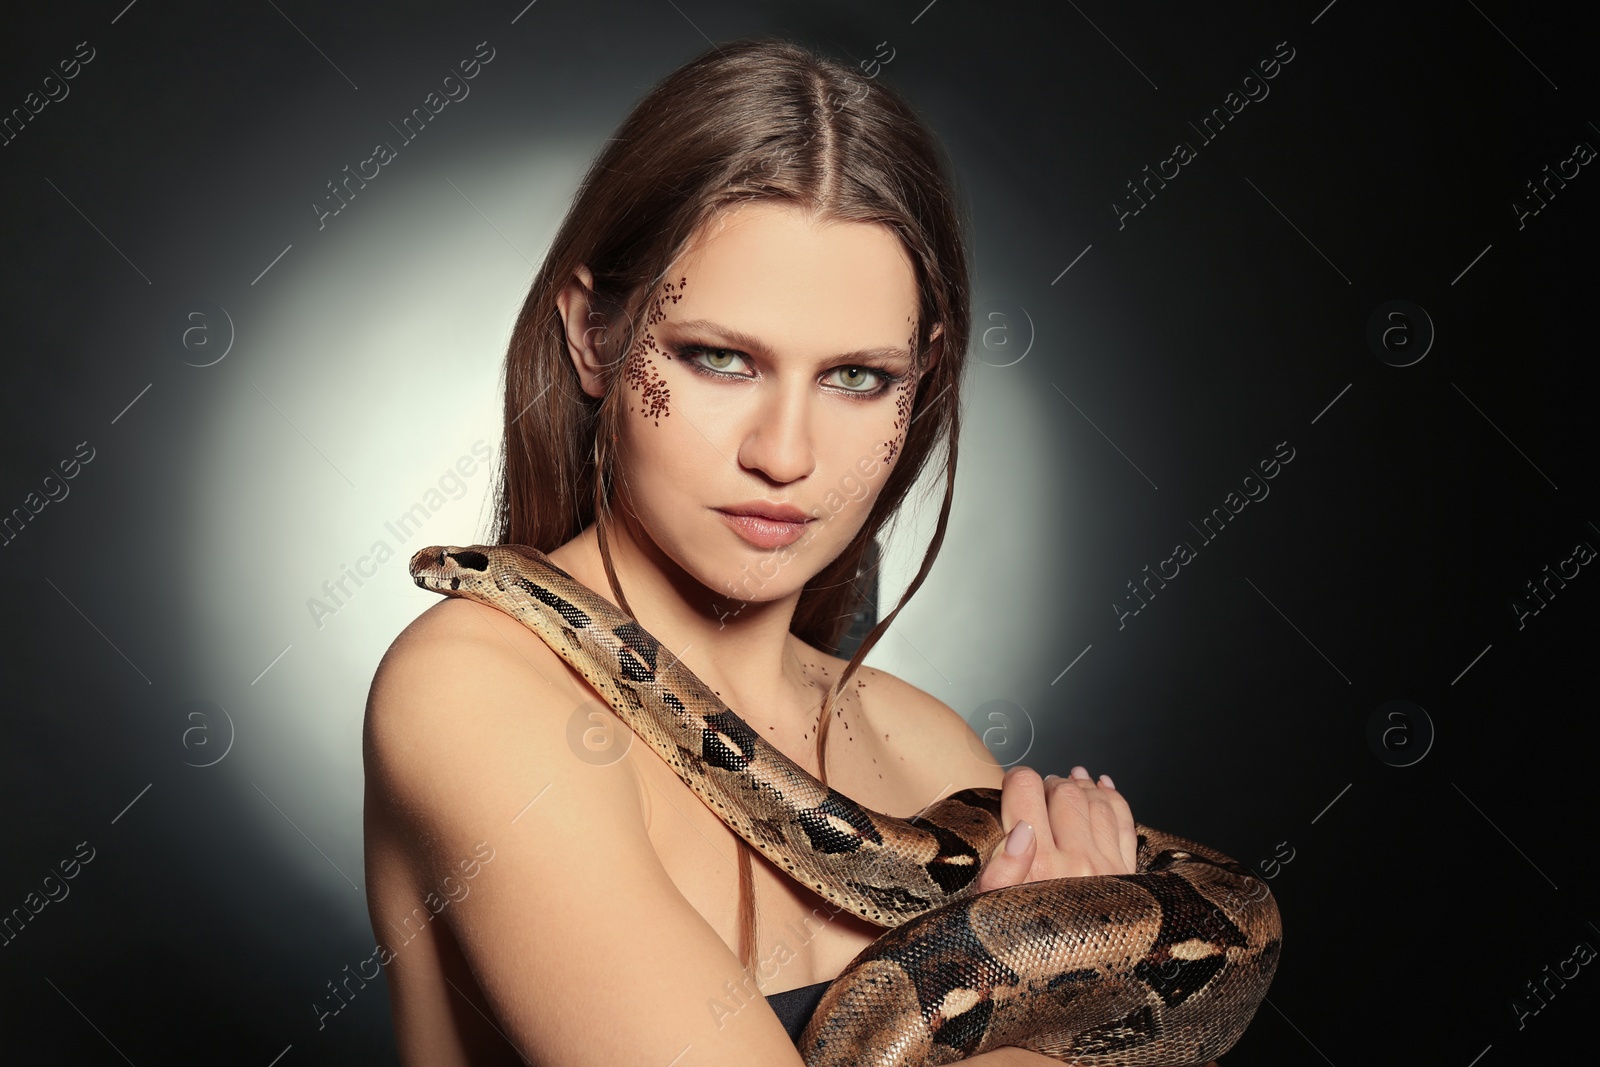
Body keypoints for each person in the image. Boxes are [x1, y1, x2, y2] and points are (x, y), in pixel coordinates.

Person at [362, 36, 1140, 1066]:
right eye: (719, 357)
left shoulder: (931, 751)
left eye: (857, 376)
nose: (784, 453)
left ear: (924, 378)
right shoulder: (472, 690)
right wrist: (1059, 1007)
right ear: (595, 337)